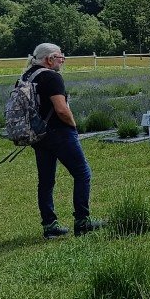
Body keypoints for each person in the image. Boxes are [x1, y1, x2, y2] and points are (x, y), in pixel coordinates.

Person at [23, 43, 103, 240]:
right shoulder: (51, 76)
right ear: (49, 59)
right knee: (83, 174)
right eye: (60, 56)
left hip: (38, 135)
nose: (63, 60)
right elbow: (61, 109)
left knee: (46, 181)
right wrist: (73, 126)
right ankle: (82, 221)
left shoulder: (26, 77)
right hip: (59, 133)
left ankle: (50, 225)